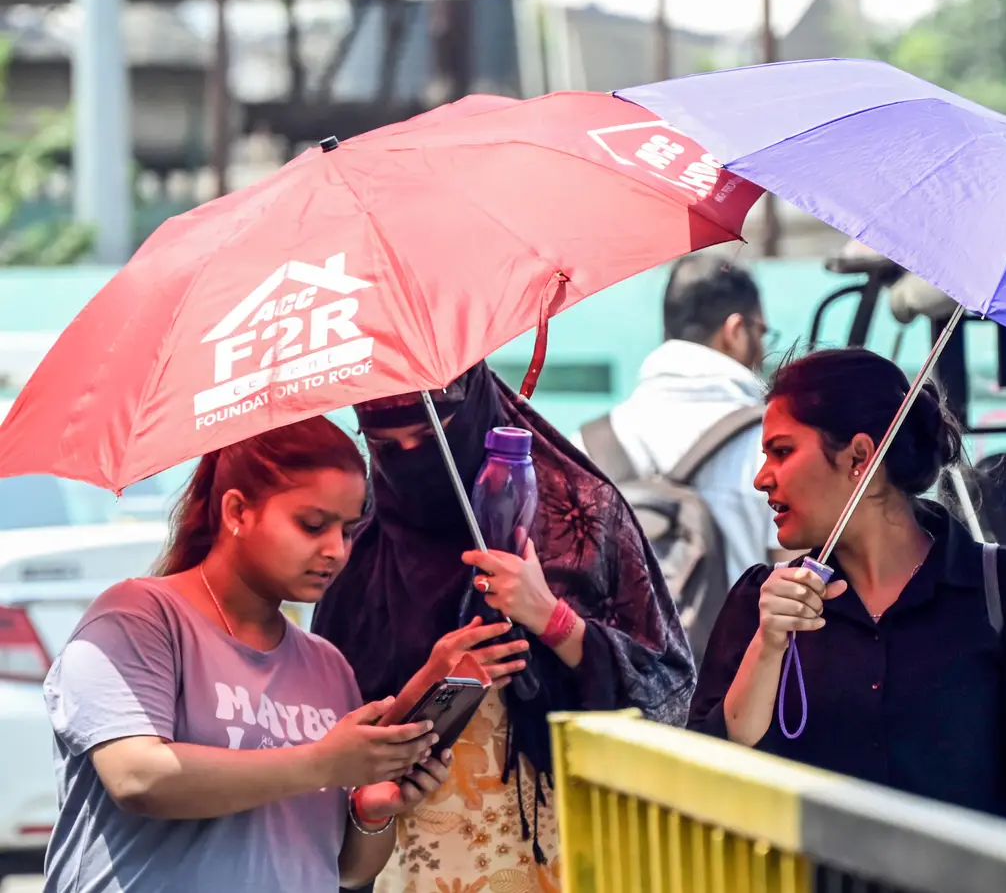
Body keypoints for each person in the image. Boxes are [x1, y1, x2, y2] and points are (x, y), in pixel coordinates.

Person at [690, 347, 1006, 853]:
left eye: (782, 451)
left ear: (859, 456)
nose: (761, 477)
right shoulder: (761, 606)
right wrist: (766, 650)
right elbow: (701, 786)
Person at [310, 363, 694, 893]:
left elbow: (671, 698)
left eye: (430, 436)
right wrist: (430, 682)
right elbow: (328, 747)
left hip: (577, 849)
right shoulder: (360, 540)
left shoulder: (580, 515)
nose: (412, 462)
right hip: (415, 857)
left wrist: (553, 620)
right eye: (386, 446)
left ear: (471, 419)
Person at [42, 418, 452, 892]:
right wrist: (324, 763)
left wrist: (369, 811)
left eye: (348, 529)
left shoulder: (326, 664)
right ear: (237, 512)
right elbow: (138, 777)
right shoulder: (138, 617)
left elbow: (349, 871)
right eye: (313, 525)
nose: (336, 551)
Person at [577, 253, 787, 584]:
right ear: (734, 330)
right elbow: (793, 582)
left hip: (616, 638)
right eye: (761, 331)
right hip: (743, 636)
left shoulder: (588, 445)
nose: (763, 347)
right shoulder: (772, 444)